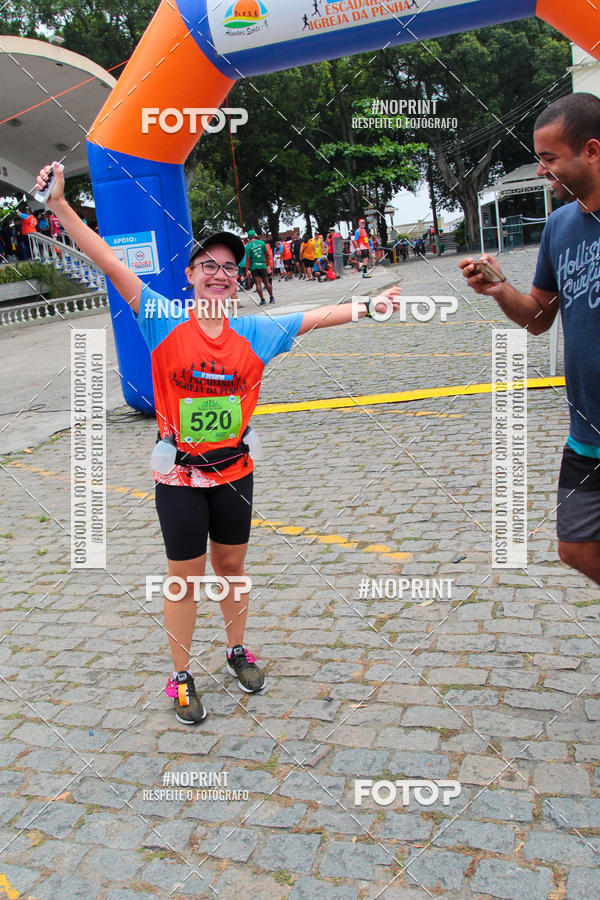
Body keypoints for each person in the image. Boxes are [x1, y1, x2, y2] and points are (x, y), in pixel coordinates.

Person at [35, 160, 402, 725]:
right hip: (179, 477)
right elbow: (106, 258)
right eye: (207, 265)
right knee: (185, 577)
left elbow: (317, 314)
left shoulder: (255, 332)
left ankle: (235, 650)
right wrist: (60, 206)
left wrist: (370, 306)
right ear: (189, 276)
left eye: (229, 267)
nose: (219, 273)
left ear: (239, 279)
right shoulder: (161, 317)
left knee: (232, 566)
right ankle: (180, 675)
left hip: (236, 473)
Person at [460, 92, 600, 588]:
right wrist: (500, 289)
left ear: (592, 151)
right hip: (587, 432)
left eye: (549, 158)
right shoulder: (560, 227)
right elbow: (538, 318)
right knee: (575, 546)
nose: (542, 170)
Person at [245, 229, 274, 305]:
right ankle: (272, 298)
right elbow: (267, 255)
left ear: (249, 237)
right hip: (262, 265)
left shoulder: (248, 246)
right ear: (254, 236)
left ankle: (263, 300)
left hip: (254, 267)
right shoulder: (262, 243)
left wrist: (247, 270)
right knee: (267, 282)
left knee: (258, 283)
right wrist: (268, 265)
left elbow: (248, 259)